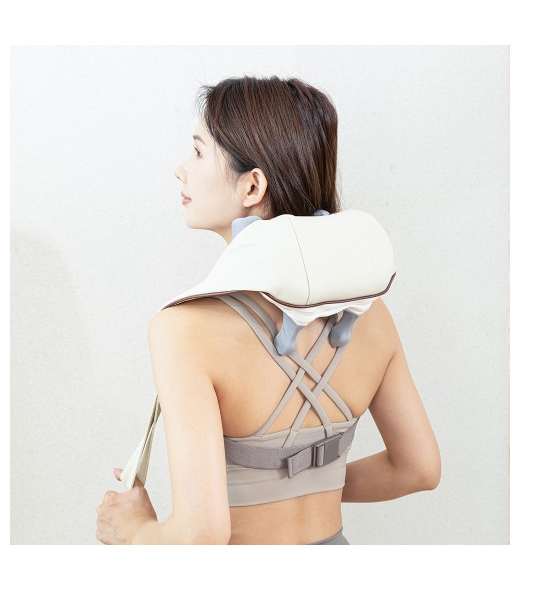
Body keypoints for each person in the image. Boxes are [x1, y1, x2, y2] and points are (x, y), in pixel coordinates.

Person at [95, 75, 441, 546]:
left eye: (198, 152)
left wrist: (134, 530)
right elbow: (418, 468)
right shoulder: (370, 314)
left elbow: (201, 534)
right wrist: (310, 484)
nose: (181, 170)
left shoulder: (184, 329)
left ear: (252, 185)